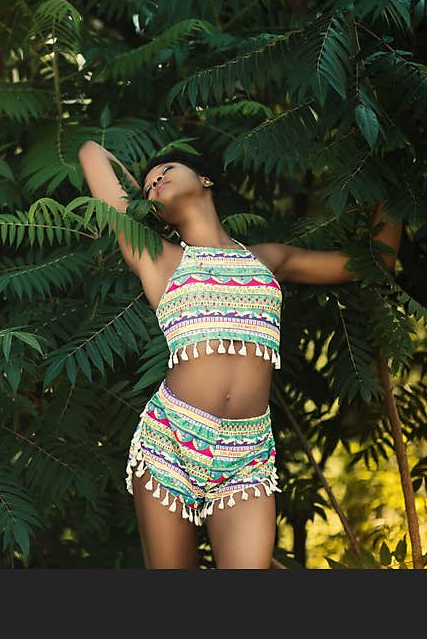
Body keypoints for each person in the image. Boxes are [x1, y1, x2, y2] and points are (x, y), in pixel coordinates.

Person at [77, 140, 403, 569]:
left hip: (248, 453)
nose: (157, 180)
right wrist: (139, 185)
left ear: (205, 179)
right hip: (169, 441)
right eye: (150, 185)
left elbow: (368, 264)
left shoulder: (268, 259)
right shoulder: (158, 258)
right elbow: (89, 151)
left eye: (167, 169)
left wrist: (396, 186)